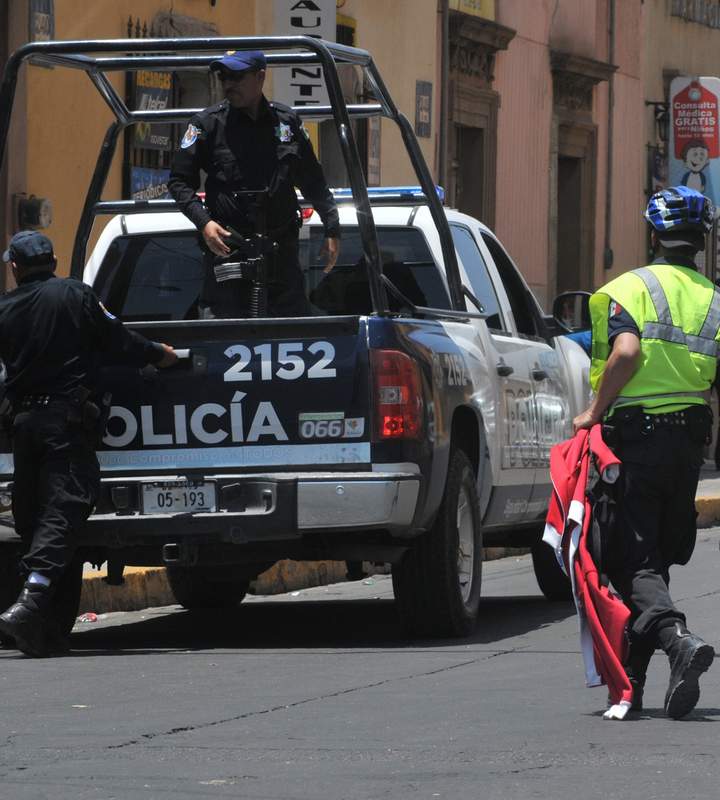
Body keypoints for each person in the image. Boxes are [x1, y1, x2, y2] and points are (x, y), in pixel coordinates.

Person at [573, 185, 716, 719]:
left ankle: (677, 640)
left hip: (635, 436)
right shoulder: (713, 299)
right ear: (701, 240)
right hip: (689, 440)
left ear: (653, 234)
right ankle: (632, 681)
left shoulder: (627, 289)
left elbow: (627, 352)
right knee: (655, 556)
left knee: (627, 555)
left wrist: (593, 411)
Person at [0, 231, 177, 657]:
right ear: (53, 261)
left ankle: (44, 629)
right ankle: (31, 600)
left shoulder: (5, 307)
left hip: (24, 425)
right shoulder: (75, 295)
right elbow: (118, 340)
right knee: (64, 512)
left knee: (34, 522)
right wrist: (159, 354)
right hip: (65, 423)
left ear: (15, 267)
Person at [168, 49, 341, 319]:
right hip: (229, 251)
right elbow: (179, 181)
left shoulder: (286, 123)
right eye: (223, 77)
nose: (228, 84)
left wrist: (332, 228)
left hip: (280, 256)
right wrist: (204, 223)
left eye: (236, 76)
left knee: (292, 333)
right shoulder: (207, 125)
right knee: (224, 333)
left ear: (260, 77)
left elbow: (313, 180)